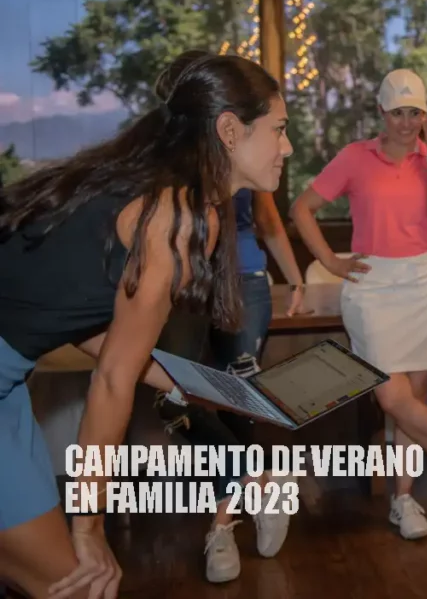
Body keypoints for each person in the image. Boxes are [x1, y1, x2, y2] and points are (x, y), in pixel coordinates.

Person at [0, 51, 292, 598]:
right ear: (230, 131)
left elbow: (81, 324)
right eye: (279, 129)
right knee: (80, 583)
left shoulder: (165, 194)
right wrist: (90, 525)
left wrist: (223, 389)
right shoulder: (175, 217)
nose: (288, 146)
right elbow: (113, 379)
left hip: (9, 384)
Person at [290, 68, 427, 541]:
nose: (407, 123)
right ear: (381, 112)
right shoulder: (356, 157)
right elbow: (301, 208)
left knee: (415, 400)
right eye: (398, 113)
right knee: (391, 397)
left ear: (426, 114)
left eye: (415, 113)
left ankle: (403, 500)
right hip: (373, 286)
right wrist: (330, 260)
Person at [147, 50, 306, 584]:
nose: (285, 145)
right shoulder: (167, 175)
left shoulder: (245, 163)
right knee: (177, 399)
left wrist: (296, 278)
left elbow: (269, 219)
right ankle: (258, 484)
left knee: (239, 400)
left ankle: (223, 525)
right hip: (185, 285)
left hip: (244, 281)